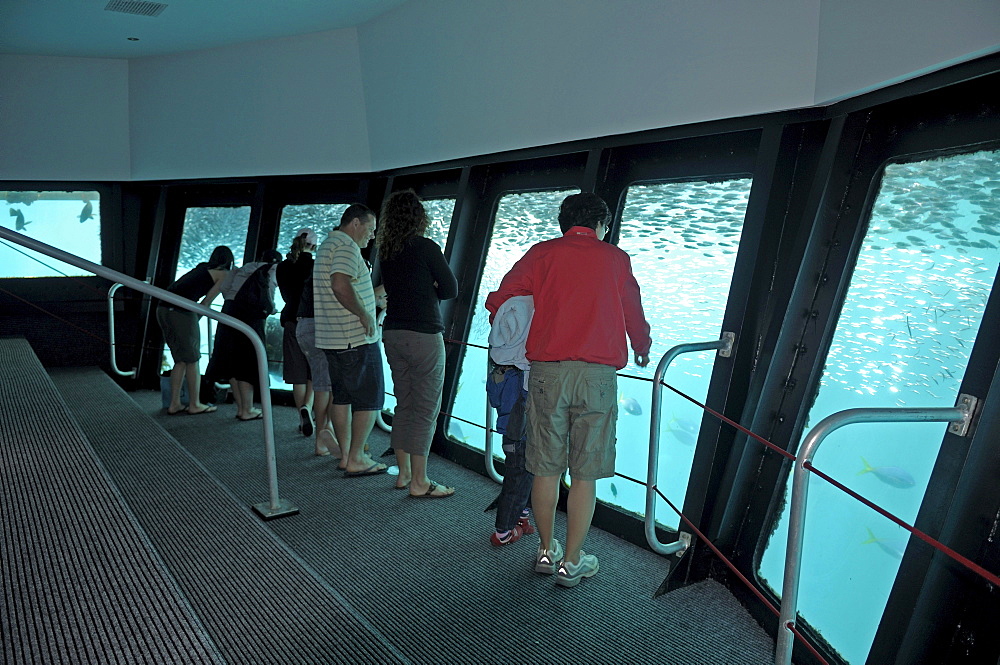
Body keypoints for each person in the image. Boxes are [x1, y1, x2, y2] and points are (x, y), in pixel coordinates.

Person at [485, 192, 652, 588]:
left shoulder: (542, 254)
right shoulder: (616, 259)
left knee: (544, 466)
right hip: (597, 376)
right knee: (585, 472)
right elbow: (632, 310)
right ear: (601, 225)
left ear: (564, 223)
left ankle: (545, 552)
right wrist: (641, 348)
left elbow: (500, 300)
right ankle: (573, 563)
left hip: (546, 372)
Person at [376, 190, 458, 498]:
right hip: (423, 335)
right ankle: (420, 482)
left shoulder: (386, 250)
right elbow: (450, 288)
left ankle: (404, 475)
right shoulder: (425, 247)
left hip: (393, 332)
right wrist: (429, 289)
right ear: (418, 217)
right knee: (425, 410)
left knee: (405, 404)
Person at [314, 204, 388, 476]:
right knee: (370, 397)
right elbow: (340, 284)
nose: (372, 236)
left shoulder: (326, 246)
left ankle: (346, 455)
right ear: (355, 223)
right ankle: (357, 457)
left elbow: (343, 284)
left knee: (342, 397)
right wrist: (365, 315)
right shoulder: (346, 247)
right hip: (354, 339)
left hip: (333, 338)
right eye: (370, 228)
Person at [156, 245, 234, 416]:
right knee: (193, 360)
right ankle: (194, 404)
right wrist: (193, 323)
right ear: (230, 260)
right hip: (180, 312)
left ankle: (175, 404)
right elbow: (206, 302)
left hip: (162, 309)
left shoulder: (202, 267)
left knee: (181, 360)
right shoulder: (224, 274)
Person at [208, 248, 282, 421]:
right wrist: (271, 309)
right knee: (248, 363)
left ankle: (241, 407)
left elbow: (226, 288)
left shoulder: (244, 267)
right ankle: (247, 409)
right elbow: (267, 297)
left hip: (229, 312)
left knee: (232, 362)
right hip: (250, 318)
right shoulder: (272, 270)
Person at [487, 295, 536, 543]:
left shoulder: (499, 358)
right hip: (522, 406)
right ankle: (503, 531)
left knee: (519, 463)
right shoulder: (533, 308)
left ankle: (522, 516)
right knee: (521, 467)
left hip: (506, 401)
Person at [295, 273, 343, 458]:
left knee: (322, 381)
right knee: (327, 386)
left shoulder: (315, 274)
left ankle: (326, 429)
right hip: (321, 326)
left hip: (303, 326)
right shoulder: (335, 272)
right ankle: (321, 441)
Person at [276, 228, 317, 436]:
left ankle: (302, 419)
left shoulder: (282, 267)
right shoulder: (315, 265)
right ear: (314, 246)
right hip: (314, 320)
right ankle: (307, 408)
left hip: (291, 319)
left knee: (297, 373)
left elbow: (285, 295)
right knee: (313, 370)